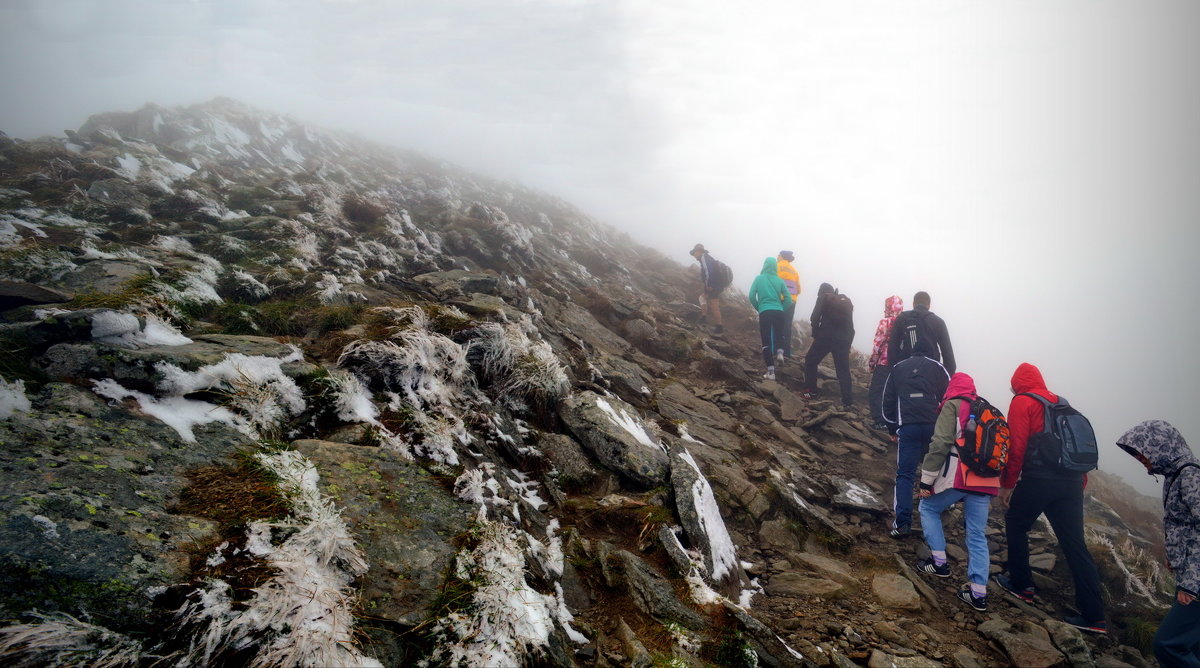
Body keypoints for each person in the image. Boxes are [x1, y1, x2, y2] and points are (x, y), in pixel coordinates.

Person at [994, 362, 1107, 634]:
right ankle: (1095, 617)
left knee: (1016, 523)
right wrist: (1079, 482)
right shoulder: (1061, 403)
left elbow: (1017, 446)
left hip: (1039, 479)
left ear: (1017, 383)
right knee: (1075, 545)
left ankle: (1022, 586)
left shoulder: (1023, 402)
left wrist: (1008, 484)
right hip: (1071, 483)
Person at [1116, 420, 1200, 667]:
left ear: (1161, 447)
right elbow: (1184, 525)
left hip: (1195, 580)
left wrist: (1193, 584)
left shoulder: (1190, 475)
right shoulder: (1175, 474)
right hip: (1190, 575)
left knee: (1168, 645)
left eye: (1143, 453)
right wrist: (1174, 555)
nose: (1141, 459)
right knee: (1191, 645)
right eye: (1137, 455)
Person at [914, 372, 999, 612]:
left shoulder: (953, 405)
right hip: (987, 480)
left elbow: (940, 442)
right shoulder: (986, 409)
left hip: (960, 477)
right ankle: (978, 593)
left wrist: (926, 480)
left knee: (928, 507)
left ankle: (939, 562)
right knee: (976, 534)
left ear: (952, 387)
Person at [881, 338, 950, 538]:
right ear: (930, 352)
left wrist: (892, 428)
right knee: (935, 471)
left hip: (908, 427)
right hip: (934, 428)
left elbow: (887, 402)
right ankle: (937, 515)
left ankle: (902, 523)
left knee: (905, 474)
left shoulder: (898, 368)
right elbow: (949, 399)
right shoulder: (938, 367)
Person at [802, 283, 855, 408]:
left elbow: (814, 318)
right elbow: (850, 326)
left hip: (826, 337)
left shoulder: (824, 297)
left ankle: (811, 392)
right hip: (843, 340)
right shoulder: (844, 301)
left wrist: (815, 335)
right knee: (843, 370)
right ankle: (848, 402)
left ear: (822, 291)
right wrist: (848, 343)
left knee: (810, 361)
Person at [888, 291, 956, 375]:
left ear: (913, 304)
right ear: (929, 305)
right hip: (931, 374)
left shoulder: (901, 318)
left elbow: (892, 350)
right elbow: (948, 357)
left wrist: (895, 372)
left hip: (905, 373)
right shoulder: (938, 322)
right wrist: (943, 378)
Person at [748, 257, 791, 381]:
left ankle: (771, 372)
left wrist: (760, 308)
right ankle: (780, 353)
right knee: (780, 335)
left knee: (766, 342)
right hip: (779, 311)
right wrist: (782, 308)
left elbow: (751, 296)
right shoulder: (780, 281)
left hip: (765, 311)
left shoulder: (758, 279)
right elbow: (788, 299)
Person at [867, 295, 904, 430]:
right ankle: (892, 422)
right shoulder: (905, 322)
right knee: (893, 393)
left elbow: (878, 344)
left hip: (884, 362)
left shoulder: (886, 322)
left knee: (876, 391)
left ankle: (879, 421)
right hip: (900, 364)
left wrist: (872, 363)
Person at [689, 243, 725, 334]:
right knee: (703, 298)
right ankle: (705, 318)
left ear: (699, 251)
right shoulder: (706, 258)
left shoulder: (704, 258)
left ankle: (719, 327)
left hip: (713, 286)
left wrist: (710, 286)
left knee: (714, 305)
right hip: (716, 285)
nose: (694, 255)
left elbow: (708, 272)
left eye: (694, 253)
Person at [775, 250, 802, 358]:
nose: (777, 256)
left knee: (776, 323)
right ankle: (786, 351)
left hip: (779, 299)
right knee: (787, 325)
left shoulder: (777, 266)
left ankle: (776, 349)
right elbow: (799, 289)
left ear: (781, 256)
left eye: (778, 255)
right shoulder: (794, 271)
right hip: (791, 301)